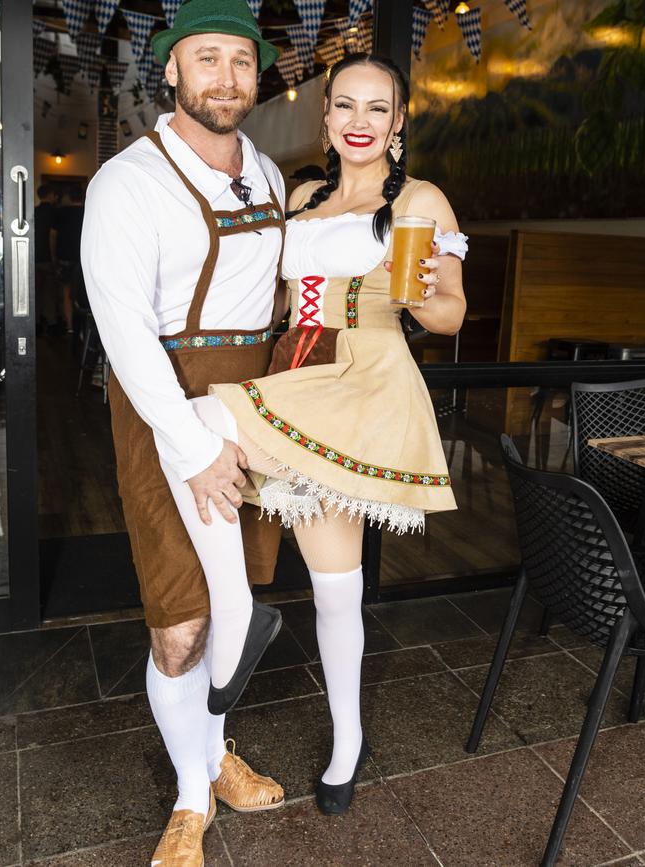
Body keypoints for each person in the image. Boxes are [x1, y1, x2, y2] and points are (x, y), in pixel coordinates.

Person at [158, 51, 467, 822]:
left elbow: (450, 313)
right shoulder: (301, 192)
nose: (359, 122)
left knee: (335, 587)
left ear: (399, 123)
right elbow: (279, 290)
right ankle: (240, 617)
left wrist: (426, 297)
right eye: (345, 107)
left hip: (363, 377)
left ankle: (346, 739)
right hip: (295, 375)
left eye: (377, 109)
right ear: (326, 117)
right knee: (200, 431)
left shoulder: (422, 198)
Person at [81, 2, 288, 865]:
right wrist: (193, 443)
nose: (227, 79)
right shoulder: (127, 180)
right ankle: (189, 794)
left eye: (241, 63)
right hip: (163, 404)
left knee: (235, 605)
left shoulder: (270, 173)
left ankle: (217, 749)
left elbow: (275, 295)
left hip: (255, 406)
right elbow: (124, 330)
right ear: (171, 70)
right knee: (181, 624)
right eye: (208, 60)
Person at [51, 184, 85, 333]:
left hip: (65, 257)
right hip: (85, 258)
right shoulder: (89, 211)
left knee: (66, 292)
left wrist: (53, 256)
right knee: (86, 293)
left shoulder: (60, 213)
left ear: (68, 197)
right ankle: (84, 329)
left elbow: (52, 236)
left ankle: (70, 326)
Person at [34, 184, 58, 334]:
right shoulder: (55, 213)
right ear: (50, 194)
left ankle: (35, 324)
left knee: (35, 292)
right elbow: (54, 237)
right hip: (49, 257)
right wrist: (54, 259)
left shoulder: (33, 212)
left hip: (35, 256)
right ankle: (52, 323)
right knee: (50, 292)